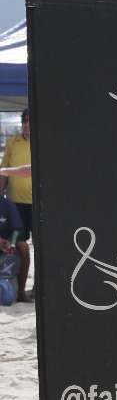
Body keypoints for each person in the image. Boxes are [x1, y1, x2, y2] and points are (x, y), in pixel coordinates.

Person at [0, 107, 33, 302]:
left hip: (37, 204)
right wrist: (1, 198)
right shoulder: (14, 142)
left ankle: (37, 290)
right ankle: (19, 290)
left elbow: (28, 171)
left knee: (40, 249)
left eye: (30, 122)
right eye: (24, 122)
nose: (27, 125)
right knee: (19, 244)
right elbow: (3, 172)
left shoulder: (41, 142)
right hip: (15, 204)